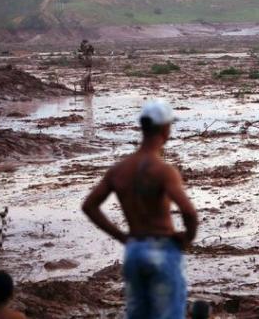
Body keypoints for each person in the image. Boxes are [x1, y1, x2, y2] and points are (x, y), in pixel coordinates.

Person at [82, 99, 198, 319]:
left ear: (142, 128)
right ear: (165, 129)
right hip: (162, 249)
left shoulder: (119, 170)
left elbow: (90, 206)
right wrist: (187, 239)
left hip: (134, 250)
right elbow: (189, 211)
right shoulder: (164, 171)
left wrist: (122, 236)